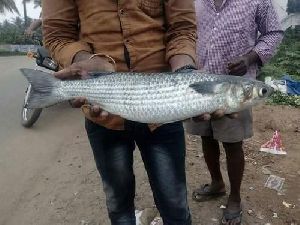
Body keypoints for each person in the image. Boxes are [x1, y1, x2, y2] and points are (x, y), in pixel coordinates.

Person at [42, 1, 203, 224]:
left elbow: (182, 28)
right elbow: (57, 33)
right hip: (103, 112)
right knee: (119, 206)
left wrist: (186, 76)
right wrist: (83, 61)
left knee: (174, 205)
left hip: (163, 105)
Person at [186, 0, 284, 224]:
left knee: (232, 143)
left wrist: (249, 58)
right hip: (201, 83)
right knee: (206, 136)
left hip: (238, 90)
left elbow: (274, 33)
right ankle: (217, 183)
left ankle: (235, 197)